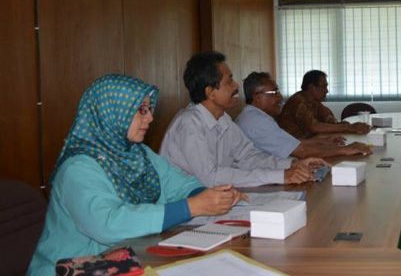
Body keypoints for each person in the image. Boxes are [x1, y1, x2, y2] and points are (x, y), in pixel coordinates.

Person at [28, 74, 244, 275]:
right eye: (141, 110)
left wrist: (210, 196)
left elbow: (179, 184)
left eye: (149, 109)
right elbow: (109, 224)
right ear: (111, 112)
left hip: (126, 260)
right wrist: (192, 206)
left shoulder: (137, 153)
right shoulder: (77, 168)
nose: (150, 117)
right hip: (73, 268)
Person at [160, 51, 326, 188]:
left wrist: (292, 164)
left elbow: (248, 157)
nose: (236, 86)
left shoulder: (222, 119)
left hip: (212, 199)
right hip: (185, 210)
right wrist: (281, 176)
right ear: (210, 92)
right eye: (229, 81)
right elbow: (211, 178)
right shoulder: (189, 124)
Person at [236, 72, 373, 159]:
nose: (280, 97)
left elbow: (290, 143)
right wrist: (346, 149)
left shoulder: (258, 117)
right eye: (274, 93)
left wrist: (323, 141)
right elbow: (302, 149)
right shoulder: (257, 122)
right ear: (257, 97)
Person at [278, 70, 370, 139]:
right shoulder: (298, 102)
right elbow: (314, 127)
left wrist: (346, 125)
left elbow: (330, 120)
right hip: (293, 149)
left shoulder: (314, 102)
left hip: (309, 142)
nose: (327, 91)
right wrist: (348, 127)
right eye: (324, 86)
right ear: (312, 87)